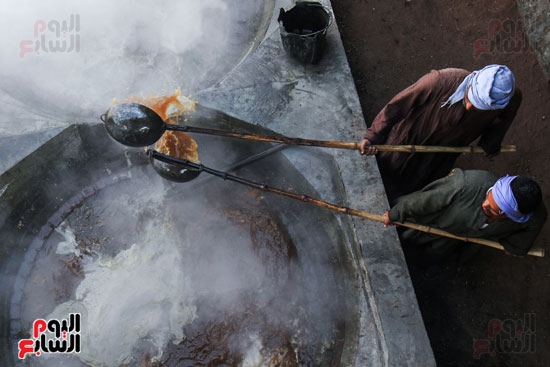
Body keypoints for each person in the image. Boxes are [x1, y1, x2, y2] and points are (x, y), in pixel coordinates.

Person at [360, 65, 522, 202]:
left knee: (422, 180)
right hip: (409, 137)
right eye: (470, 99)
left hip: (446, 149)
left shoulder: (511, 99)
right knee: (389, 169)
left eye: (479, 107)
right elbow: (396, 107)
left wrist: (489, 144)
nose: (468, 108)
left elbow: (503, 120)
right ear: (473, 78)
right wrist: (373, 136)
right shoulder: (438, 82)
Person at [382, 169, 547, 271]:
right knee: (408, 235)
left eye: (492, 210)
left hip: (460, 235)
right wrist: (395, 214)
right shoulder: (465, 185)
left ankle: (426, 266)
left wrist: (516, 247)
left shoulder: (531, 215)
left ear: (510, 216)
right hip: (435, 218)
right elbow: (422, 202)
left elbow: (528, 233)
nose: (484, 204)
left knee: (437, 252)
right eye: (489, 196)